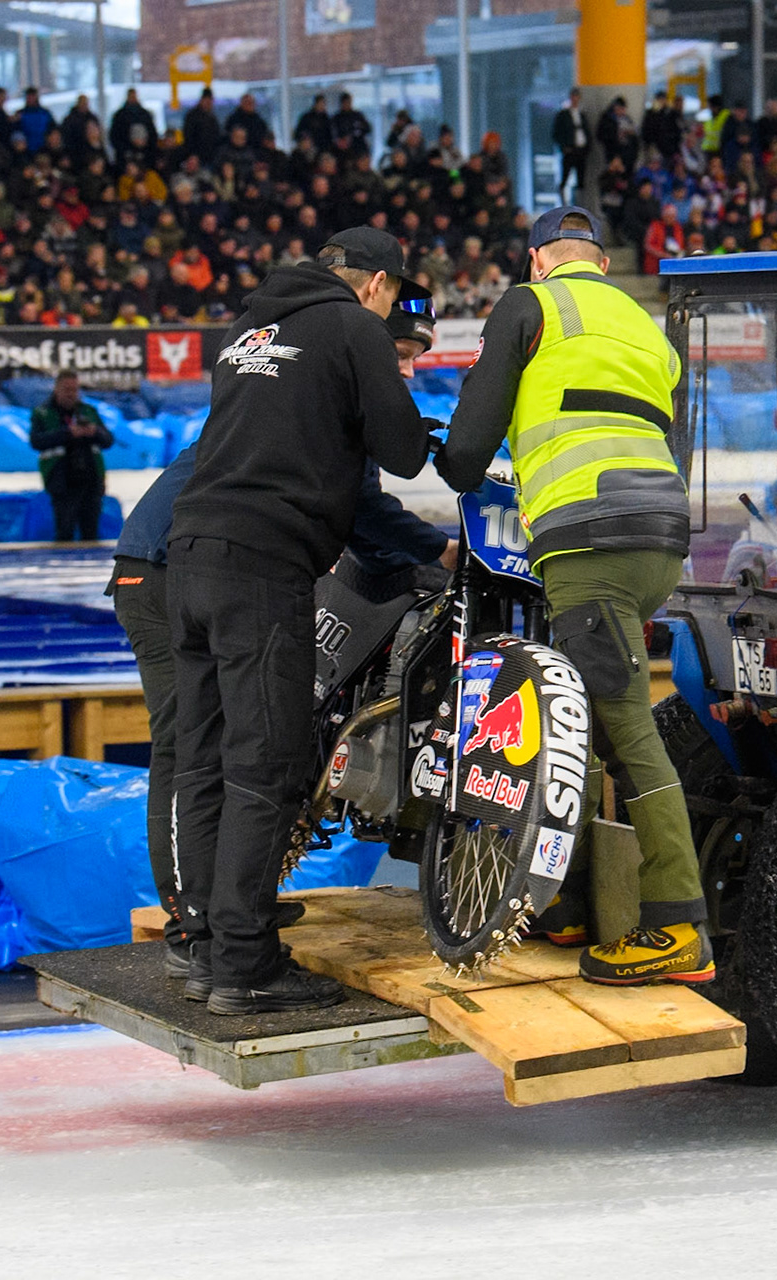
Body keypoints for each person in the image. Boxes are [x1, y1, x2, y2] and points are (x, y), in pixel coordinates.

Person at [114, 300, 457, 982]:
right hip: (162, 569)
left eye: (417, 358)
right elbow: (364, 516)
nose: (409, 372)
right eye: (399, 357)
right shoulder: (325, 398)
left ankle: (228, 912)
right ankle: (192, 921)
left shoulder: (305, 392)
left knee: (233, 746)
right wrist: (438, 554)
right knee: (189, 749)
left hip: (179, 559)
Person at [436, 206, 709, 987]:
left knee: (624, 730)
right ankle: (571, 905)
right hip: (659, 529)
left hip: (590, 540)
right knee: (578, 718)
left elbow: (467, 448)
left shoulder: (532, 306)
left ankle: (677, 925)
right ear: (598, 259)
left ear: (536, 262)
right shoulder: (644, 322)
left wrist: (449, 455)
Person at [167, 227, 431, 1015]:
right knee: (265, 766)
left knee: (204, 762)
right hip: (260, 566)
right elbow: (404, 451)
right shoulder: (354, 325)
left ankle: (209, 949)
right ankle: (246, 967)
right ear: (378, 284)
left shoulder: (248, 329)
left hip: (189, 557)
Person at [29, 370, 113, 541]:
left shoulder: (88, 411)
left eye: (74, 390)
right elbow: (36, 441)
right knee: (64, 531)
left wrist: (94, 432)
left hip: (91, 481)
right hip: (62, 483)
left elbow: (108, 440)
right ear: (56, 389)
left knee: (91, 533)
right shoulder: (43, 413)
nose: (71, 394)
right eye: (67, 389)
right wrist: (67, 434)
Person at [552, 89, 588, 204]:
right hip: (569, 150)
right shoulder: (563, 115)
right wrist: (564, 147)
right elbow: (556, 133)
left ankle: (579, 203)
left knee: (581, 179)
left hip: (581, 151)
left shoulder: (581, 114)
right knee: (565, 177)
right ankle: (564, 203)